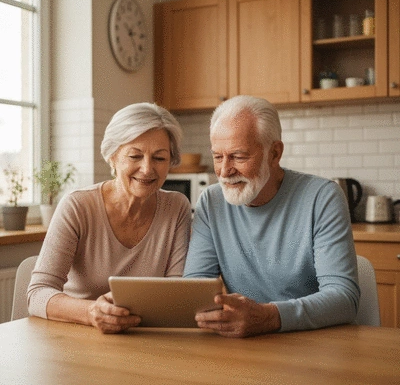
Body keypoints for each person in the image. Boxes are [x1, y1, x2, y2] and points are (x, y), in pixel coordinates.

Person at [183, 95, 360, 338]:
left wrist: (268, 317)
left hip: (314, 342)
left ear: (275, 153)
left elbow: (344, 299)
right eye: (217, 156)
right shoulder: (211, 202)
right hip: (244, 345)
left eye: (238, 156)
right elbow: (194, 291)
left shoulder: (322, 197)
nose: (224, 171)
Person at [28, 103, 192, 333]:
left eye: (159, 158)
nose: (147, 169)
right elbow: (37, 294)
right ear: (112, 157)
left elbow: (176, 291)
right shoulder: (77, 206)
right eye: (135, 155)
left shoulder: (176, 207)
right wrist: (91, 312)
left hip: (145, 337)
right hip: (76, 337)